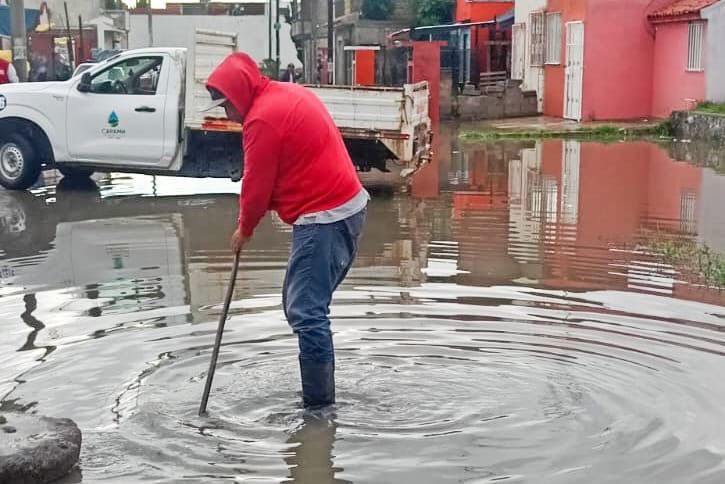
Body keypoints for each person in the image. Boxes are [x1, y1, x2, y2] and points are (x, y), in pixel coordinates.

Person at [203, 53, 368, 409]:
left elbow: (257, 184)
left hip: (325, 215)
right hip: (342, 209)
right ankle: (318, 397)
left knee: (307, 311)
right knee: (301, 306)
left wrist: (245, 229)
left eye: (227, 104)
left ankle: (319, 411)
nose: (227, 114)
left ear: (240, 93)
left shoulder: (262, 118)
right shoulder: (283, 93)